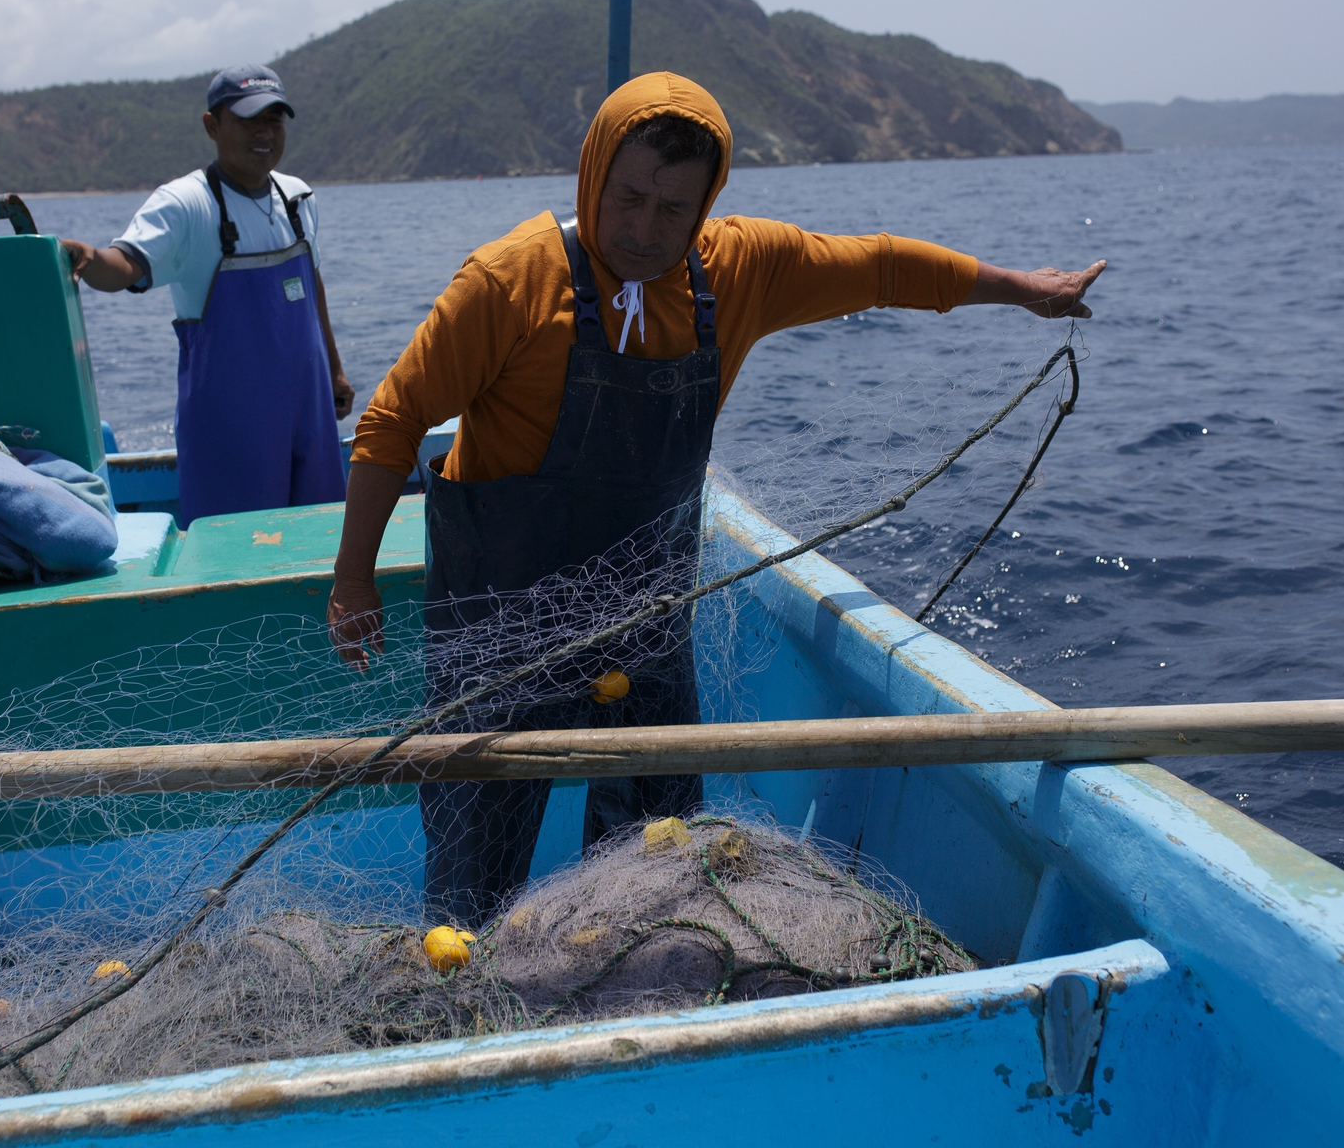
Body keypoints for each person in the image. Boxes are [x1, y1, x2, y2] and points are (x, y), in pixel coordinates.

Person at [327, 72, 1102, 927]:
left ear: (706, 206)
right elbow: (392, 422)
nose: (644, 229)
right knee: (474, 878)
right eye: (627, 198)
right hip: (499, 629)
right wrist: (353, 582)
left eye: (672, 210)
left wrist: (1025, 289)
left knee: (662, 870)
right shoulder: (509, 280)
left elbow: (880, 267)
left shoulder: (737, 270)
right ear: (593, 178)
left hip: (645, 628)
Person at [61, 65, 355, 521]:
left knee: (321, 538)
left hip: (309, 413)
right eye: (248, 120)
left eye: (274, 120)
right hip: (231, 431)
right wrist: (88, 257)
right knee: (236, 550)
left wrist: (334, 371)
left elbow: (312, 285)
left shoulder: (298, 198)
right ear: (212, 126)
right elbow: (124, 267)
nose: (265, 133)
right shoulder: (185, 204)